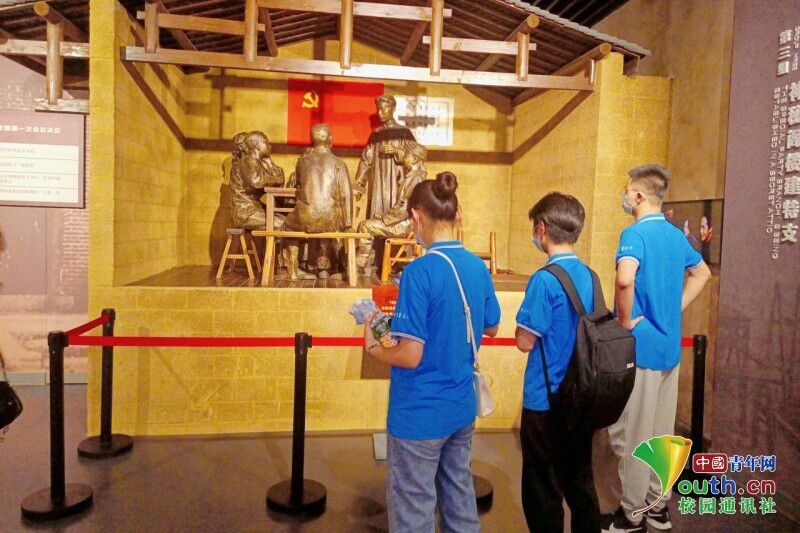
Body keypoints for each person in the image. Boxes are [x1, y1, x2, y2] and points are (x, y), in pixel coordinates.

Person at [363, 171, 501, 533]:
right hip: (461, 408)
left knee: (413, 509)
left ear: (416, 216)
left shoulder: (419, 272)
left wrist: (375, 348)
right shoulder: (477, 266)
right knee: (459, 500)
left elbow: (410, 355)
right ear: (456, 214)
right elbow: (491, 326)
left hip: (419, 414)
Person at [604, 164, 711, 533]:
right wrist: (674, 308)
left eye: (626, 190)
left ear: (638, 196)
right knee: (662, 433)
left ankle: (632, 514)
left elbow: (624, 279)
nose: (624, 196)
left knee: (635, 433)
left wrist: (623, 320)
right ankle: (658, 508)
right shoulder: (674, 234)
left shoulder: (634, 234)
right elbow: (702, 273)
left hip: (642, 349)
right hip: (669, 350)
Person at [514, 192, 601, 533]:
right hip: (582, 398)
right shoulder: (591, 276)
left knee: (543, 488)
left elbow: (525, 341)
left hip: (545, 400)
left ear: (542, 229)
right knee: (580, 482)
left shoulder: (544, 279)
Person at [282, 124, 352, 279]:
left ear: (311, 140)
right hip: (331, 219)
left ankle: (292, 270)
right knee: (325, 220)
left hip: (306, 217)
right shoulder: (339, 163)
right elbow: (346, 195)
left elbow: (299, 183)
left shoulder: (302, 162)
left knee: (287, 226)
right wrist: (348, 224)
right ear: (331, 139)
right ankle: (323, 269)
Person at [356, 141, 428, 276]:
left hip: (404, 226)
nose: (404, 158)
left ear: (414, 159)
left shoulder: (415, 179)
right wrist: (383, 217)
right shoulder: (414, 177)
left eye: (406, 155)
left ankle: (358, 266)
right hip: (404, 222)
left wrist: (384, 218)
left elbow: (404, 208)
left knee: (365, 226)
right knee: (369, 223)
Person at [354, 95, 416, 220]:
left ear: (393, 109)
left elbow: (416, 157)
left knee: (394, 218)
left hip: (396, 183)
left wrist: (397, 151)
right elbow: (365, 162)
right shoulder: (375, 134)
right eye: (378, 109)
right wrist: (357, 189)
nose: (379, 113)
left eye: (383, 109)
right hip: (377, 183)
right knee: (374, 219)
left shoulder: (404, 133)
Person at [229, 131, 284, 230]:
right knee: (281, 223)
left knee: (286, 220)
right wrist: (276, 180)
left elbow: (279, 183)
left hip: (255, 209)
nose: (270, 146)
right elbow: (257, 182)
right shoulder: (248, 161)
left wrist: (269, 162)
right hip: (245, 211)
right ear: (257, 145)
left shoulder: (257, 164)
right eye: (266, 142)